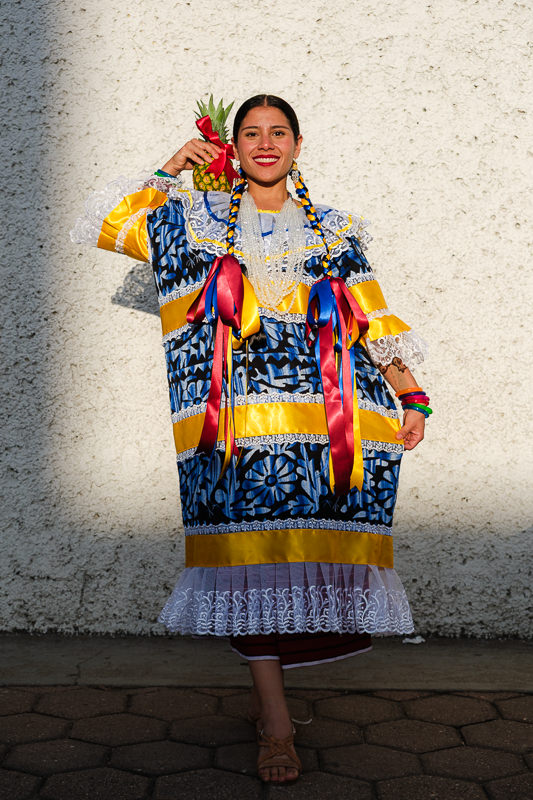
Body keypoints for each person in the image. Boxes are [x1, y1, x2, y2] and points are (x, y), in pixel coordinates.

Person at [71, 94, 430, 783]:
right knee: (245, 565)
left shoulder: (333, 230)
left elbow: (370, 312)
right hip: (230, 429)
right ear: (230, 147)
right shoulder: (192, 221)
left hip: (323, 428)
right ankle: (275, 723)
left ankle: (271, 703)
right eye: (251, 134)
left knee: (296, 560)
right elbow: (112, 223)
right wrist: (175, 164)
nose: (265, 143)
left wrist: (411, 393)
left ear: (298, 144)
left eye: (278, 133)